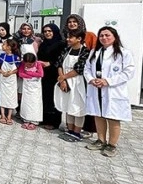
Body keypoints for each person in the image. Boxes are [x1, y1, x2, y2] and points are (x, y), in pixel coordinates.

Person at [84, 26, 135, 157]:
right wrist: (91, 80)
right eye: (101, 36)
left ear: (115, 37)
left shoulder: (123, 53)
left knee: (113, 117)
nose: (104, 38)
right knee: (98, 115)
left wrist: (108, 81)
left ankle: (112, 145)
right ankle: (101, 140)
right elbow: (87, 69)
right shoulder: (95, 52)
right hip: (96, 89)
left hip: (113, 90)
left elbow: (128, 72)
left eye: (107, 35)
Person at [54, 29, 89, 141]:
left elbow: (79, 68)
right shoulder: (66, 49)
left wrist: (64, 77)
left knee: (77, 107)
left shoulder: (85, 51)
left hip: (78, 82)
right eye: (68, 37)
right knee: (68, 106)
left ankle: (77, 132)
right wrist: (62, 79)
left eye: (71, 37)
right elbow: (59, 63)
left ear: (79, 39)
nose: (68, 39)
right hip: (65, 81)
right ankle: (70, 130)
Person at [37, 23, 66, 129]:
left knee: (54, 98)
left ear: (54, 31)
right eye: (45, 31)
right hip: (44, 74)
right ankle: (44, 119)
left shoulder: (61, 44)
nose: (47, 33)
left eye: (49, 31)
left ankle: (54, 122)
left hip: (55, 74)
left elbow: (62, 59)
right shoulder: (43, 44)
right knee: (45, 97)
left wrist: (50, 63)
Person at [0, 39, 21, 125]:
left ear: (9, 47)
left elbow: (17, 69)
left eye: (4, 45)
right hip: (4, 79)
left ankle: (9, 116)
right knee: (3, 96)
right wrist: (3, 72)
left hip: (12, 80)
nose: (2, 46)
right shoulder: (2, 56)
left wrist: (10, 73)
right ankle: (3, 115)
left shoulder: (16, 57)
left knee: (11, 96)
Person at [19, 53, 44, 130]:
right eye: (27, 64)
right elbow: (20, 73)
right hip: (26, 87)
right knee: (26, 102)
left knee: (35, 103)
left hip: (35, 88)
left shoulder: (38, 64)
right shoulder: (23, 64)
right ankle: (26, 119)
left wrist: (29, 73)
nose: (28, 66)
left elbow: (40, 74)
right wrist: (32, 75)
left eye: (30, 64)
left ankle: (34, 121)